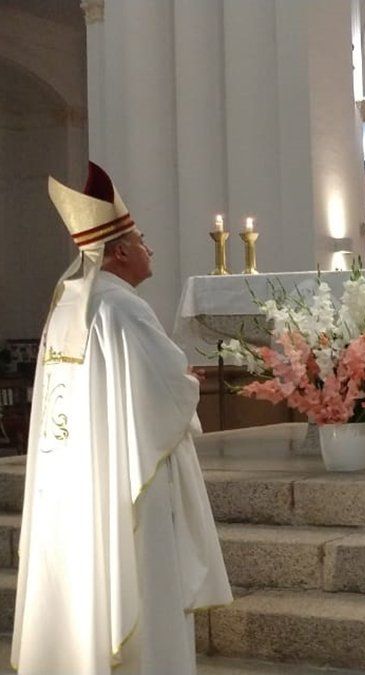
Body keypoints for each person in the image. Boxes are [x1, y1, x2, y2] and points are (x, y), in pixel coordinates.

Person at [12, 162, 231, 673]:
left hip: (76, 477)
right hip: (125, 475)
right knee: (138, 567)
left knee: (84, 574)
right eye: (142, 240)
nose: (150, 249)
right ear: (118, 252)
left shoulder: (69, 302)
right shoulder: (123, 307)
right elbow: (165, 392)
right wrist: (190, 381)